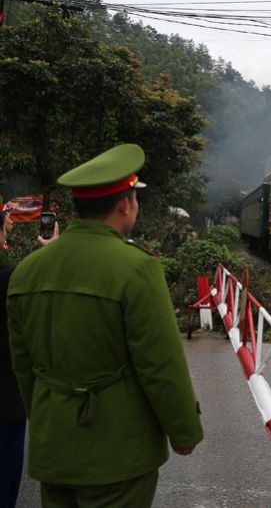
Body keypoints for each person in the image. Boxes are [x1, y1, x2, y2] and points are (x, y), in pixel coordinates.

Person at [7, 144, 203, 507]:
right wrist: (184, 431)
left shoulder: (27, 271)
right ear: (125, 204)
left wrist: (48, 416)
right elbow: (160, 365)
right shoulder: (136, 268)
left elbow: (23, 366)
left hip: (54, 447)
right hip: (119, 454)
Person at [0, 216, 58, 508]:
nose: (9, 224)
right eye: (4, 223)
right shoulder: (9, 278)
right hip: (5, 406)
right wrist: (51, 251)